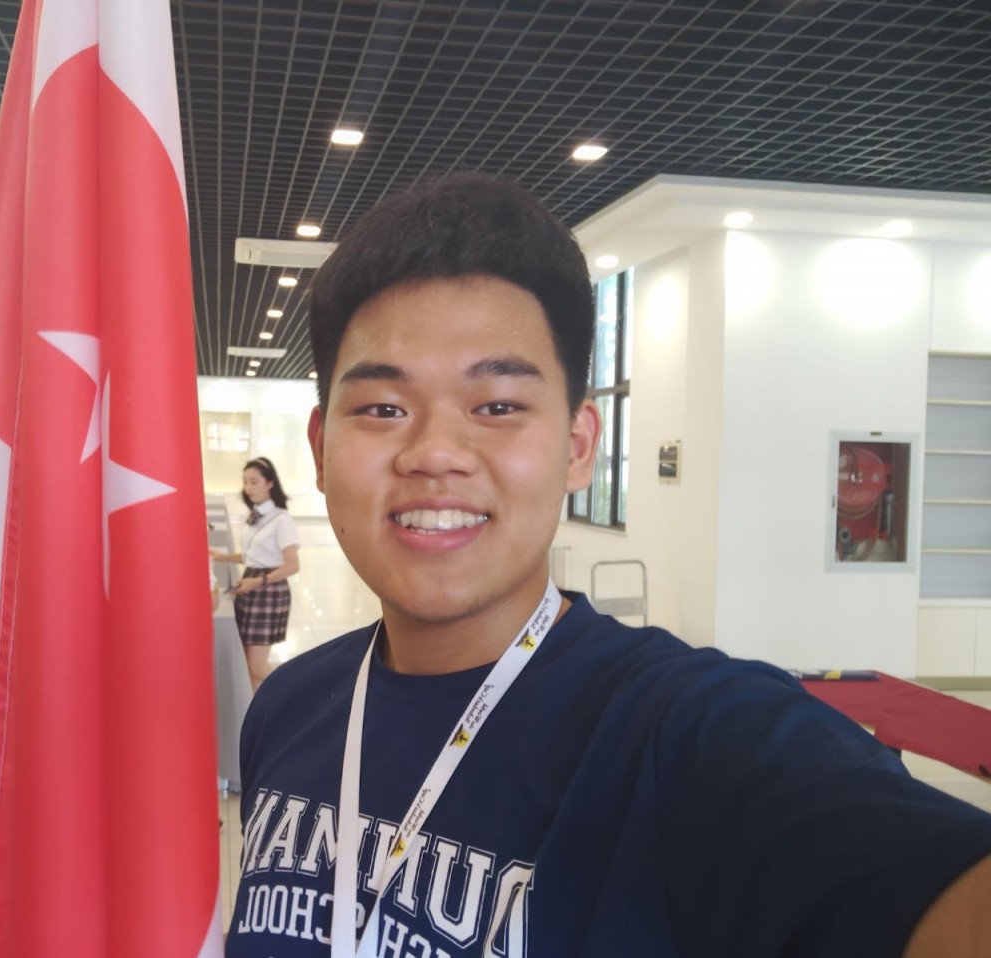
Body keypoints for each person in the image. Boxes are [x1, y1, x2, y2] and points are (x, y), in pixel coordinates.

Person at [225, 172, 991, 956]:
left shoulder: (682, 735)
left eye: (498, 406)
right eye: (383, 409)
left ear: (578, 446)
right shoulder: (287, 707)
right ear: (321, 448)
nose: (435, 453)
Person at [213, 457, 301, 690]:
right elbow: (253, 556)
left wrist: (259, 581)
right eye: (245, 482)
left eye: (254, 482)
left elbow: (292, 565)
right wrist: (221, 557)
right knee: (247, 664)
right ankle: (255, 707)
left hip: (268, 590)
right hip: (251, 585)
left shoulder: (282, 519)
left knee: (257, 666)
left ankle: (299, 694)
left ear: (270, 483)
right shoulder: (255, 515)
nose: (248, 488)